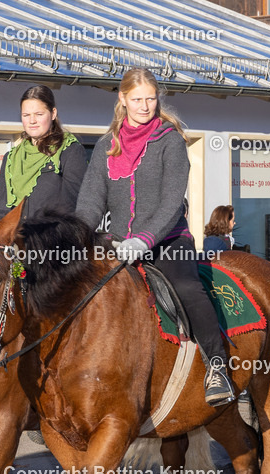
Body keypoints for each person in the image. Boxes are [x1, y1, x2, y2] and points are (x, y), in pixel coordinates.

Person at [76, 68, 234, 406]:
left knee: (188, 290)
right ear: (122, 100)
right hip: (118, 242)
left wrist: (145, 239)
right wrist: (76, 235)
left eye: (150, 98)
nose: (145, 106)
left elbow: (172, 201)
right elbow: (90, 201)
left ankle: (217, 366)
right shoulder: (106, 145)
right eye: (137, 99)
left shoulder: (170, 140)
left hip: (168, 241)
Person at [0, 85, 87, 222]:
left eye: (39, 114)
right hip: (16, 239)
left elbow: (74, 206)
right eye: (26, 115)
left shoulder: (70, 152)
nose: (32, 120)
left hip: (52, 238)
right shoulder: (11, 158)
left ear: (53, 114)